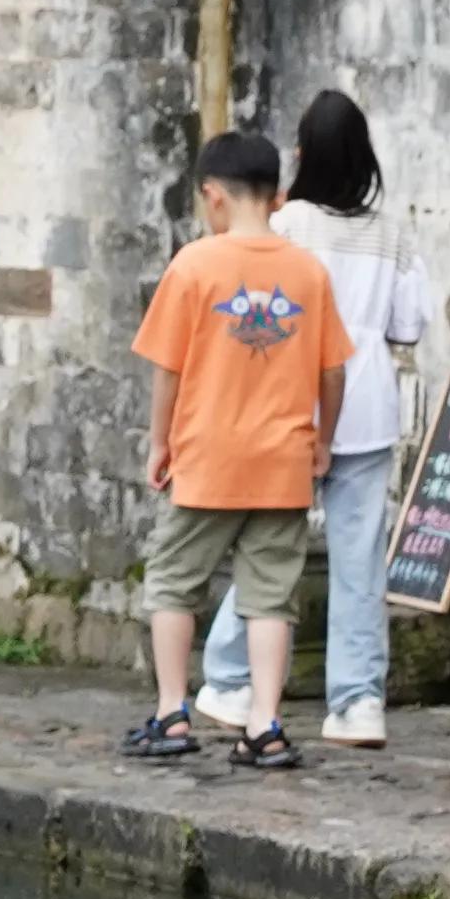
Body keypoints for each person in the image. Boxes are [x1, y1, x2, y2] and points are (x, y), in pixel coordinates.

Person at [199, 88, 434, 752]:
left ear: (304, 154)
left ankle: (228, 678)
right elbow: (408, 326)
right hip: (368, 408)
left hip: (290, 409)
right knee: (361, 562)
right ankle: (358, 703)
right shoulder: (392, 232)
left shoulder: (289, 224)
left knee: (270, 551)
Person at [127, 128, 352, 773]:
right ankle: (265, 723)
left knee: (173, 583)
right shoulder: (307, 272)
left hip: (206, 458)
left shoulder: (195, 265)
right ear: (277, 197)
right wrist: (324, 441)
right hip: (282, 463)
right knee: (270, 597)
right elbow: (333, 371)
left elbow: (167, 368)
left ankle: (173, 711)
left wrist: (159, 443)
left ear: (213, 195)